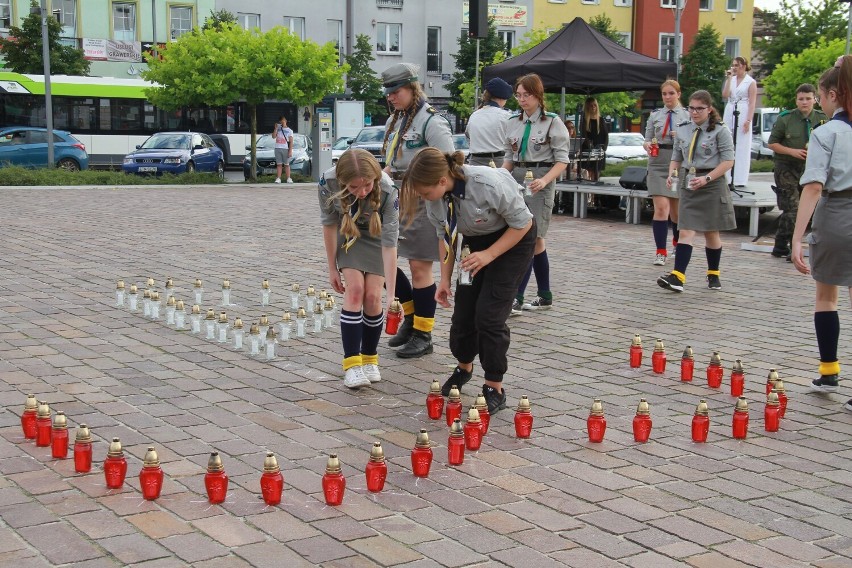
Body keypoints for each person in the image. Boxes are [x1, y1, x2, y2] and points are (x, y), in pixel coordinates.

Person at [401, 147, 535, 412]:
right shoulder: (435, 198)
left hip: (512, 240)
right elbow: (446, 236)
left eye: (426, 192)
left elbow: (524, 224)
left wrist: (489, 255)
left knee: (489, 316)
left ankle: (494, 386)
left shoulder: (487, 183)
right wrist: (444, 280)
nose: (424, 198)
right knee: (463, 315)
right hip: (474, 245)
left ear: (442, 180)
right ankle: (464, 368)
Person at [380, 63, 455, 358]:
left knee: (420, 267)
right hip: (397, 197)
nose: (391, 97)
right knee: (383, 258)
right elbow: (391, 161)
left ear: (413, 88)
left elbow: (448, 165)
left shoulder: (431, 122)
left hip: (424, 199)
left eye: (396, 91)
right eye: (388, 93)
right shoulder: (396, 121)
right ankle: (411, 318)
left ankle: (424, 333)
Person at [794, 55, 852, 409]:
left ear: (832, 95)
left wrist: (797, 236)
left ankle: (829, 370)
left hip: (837, 215)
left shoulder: (826, 133)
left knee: (826, 297)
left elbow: (813, 186)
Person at [319, 149, 399, 389]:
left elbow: (390, 243)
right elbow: (329, 224)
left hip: (376, 235)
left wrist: (392, 296)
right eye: (354, 188)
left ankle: (369, 359)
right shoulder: (328, 181)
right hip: (349, 231)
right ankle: (352, 365)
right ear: (342, 182)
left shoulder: (388, 190)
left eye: (366, 186)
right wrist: (332, 267)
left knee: (374, 295)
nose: (362, 192)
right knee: (355, 291)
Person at [501, 73, 569, 315]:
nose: (521, 100)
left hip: (541, 180)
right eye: (518, 95)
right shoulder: (512, 121)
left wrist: (545, 180)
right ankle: (545, 295)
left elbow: (562, 161)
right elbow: (509, 157)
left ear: (538, 95)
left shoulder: (552, 122)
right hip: (518, 178)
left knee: (530, 238)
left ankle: (516, 297)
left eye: (526, 95)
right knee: (537, 241)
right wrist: (499, 178)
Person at [657, 90, 735, 293]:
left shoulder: (720, 130)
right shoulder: (683, 129)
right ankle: (678, 277)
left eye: (699, 108)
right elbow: (677, 156)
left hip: (712, 183)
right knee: (685, 230)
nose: (694, 112)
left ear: (709, 109)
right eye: (691, 108)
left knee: (711, 232)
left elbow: (728, 161)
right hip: (690, 181)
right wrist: (672, 174)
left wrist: (708, 178)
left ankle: (713, 274)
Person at [768, 83, 827, 259]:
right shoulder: (785, 119)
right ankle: (785, 245)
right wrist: (792, 151)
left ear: (815, 100)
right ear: (796, 100)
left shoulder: (823, 119)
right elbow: (772, 143)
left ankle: (783, 244)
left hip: (810, 168)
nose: (804, 102)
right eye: (801, 99)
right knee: (792, 208)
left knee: (811, 207)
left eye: (808, 99)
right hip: (787, 167)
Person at [644, 79, 691, 266]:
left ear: (678, 94)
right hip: (658, 161)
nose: (668, 97)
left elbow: (693, 139)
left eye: (671, 93)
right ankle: (660, 251)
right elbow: (646, 138)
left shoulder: (687, 114)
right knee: (661, 208)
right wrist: (647, 144)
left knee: (676, 212)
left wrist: (679, 135)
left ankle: (677, 244)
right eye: (664, 94)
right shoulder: (655, 115)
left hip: (678, 162)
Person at [722, 56, 757, 187]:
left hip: (743, 109)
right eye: (733, 65)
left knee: (741, 144)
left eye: (736, 65)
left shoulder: (750, 82)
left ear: (743, 65)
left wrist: (748, 119)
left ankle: (740, 178)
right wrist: (729, 78)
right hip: (730, 108)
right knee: (728, 141)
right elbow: (725, 95)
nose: (734, 67)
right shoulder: (732, 79)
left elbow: (752, 102)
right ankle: (727, 175)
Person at [465, 77, 512, 166]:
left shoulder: (474, 115)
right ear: (503, 98)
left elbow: (468, 136)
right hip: (498, 162)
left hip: (474, 162)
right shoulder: (505, 116)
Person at [578, 97, 608, 183]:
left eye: (595, 105)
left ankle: (593, 196)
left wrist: (603, 148)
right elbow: (584, 135)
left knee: (596, 175)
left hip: (599, 150)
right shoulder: (584, 120)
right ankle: (588, 195)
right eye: (591, 105)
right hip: (588, 151)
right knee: (588, 174)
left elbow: (606, 136)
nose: (593, 107)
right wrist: (590, 147)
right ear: (587, 107)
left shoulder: (601, 120)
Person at [272, 116, 294, 184]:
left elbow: (291, 141)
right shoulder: (278, 129)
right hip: (277, 148)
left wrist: (290, 151)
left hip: (285, 148)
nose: (282, 122)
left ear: (285, 121)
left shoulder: (290, 130)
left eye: (283, 121)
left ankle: (288, 178)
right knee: (279, 164)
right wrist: (275, 129)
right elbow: (273, 136)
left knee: (286, 164)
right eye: (280, 121)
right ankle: (278, 178)